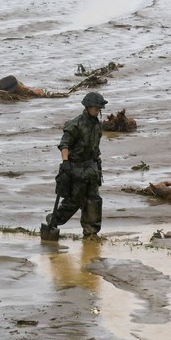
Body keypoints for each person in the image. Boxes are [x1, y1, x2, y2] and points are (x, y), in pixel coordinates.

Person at [45, 91, 108, 238]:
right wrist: (65, 162)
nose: (98, 110)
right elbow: (64, 145)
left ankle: (91, 232)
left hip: (92, 167)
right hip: (77, 168)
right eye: (95, 108)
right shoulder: (75, 124)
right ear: (88, 107)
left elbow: (95, 146)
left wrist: (97, 166)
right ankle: (54, 219)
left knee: (93, 200)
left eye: (99, 108)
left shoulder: (97, 125)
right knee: (74, 200)